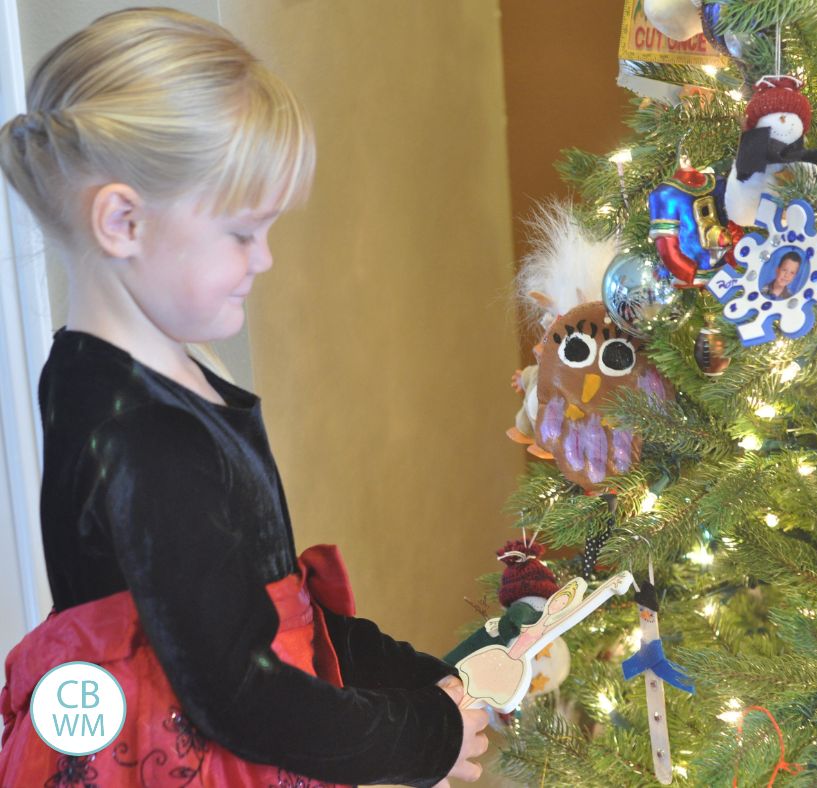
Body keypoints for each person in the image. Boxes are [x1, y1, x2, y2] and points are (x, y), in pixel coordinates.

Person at [0, 8, 487, 787]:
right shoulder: (139, 434)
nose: (264, 259)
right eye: (241, 232)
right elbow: (243, 695)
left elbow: (265, 599)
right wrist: (421, 738)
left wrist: (416, 680)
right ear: (123, 220)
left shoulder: (149, 376)